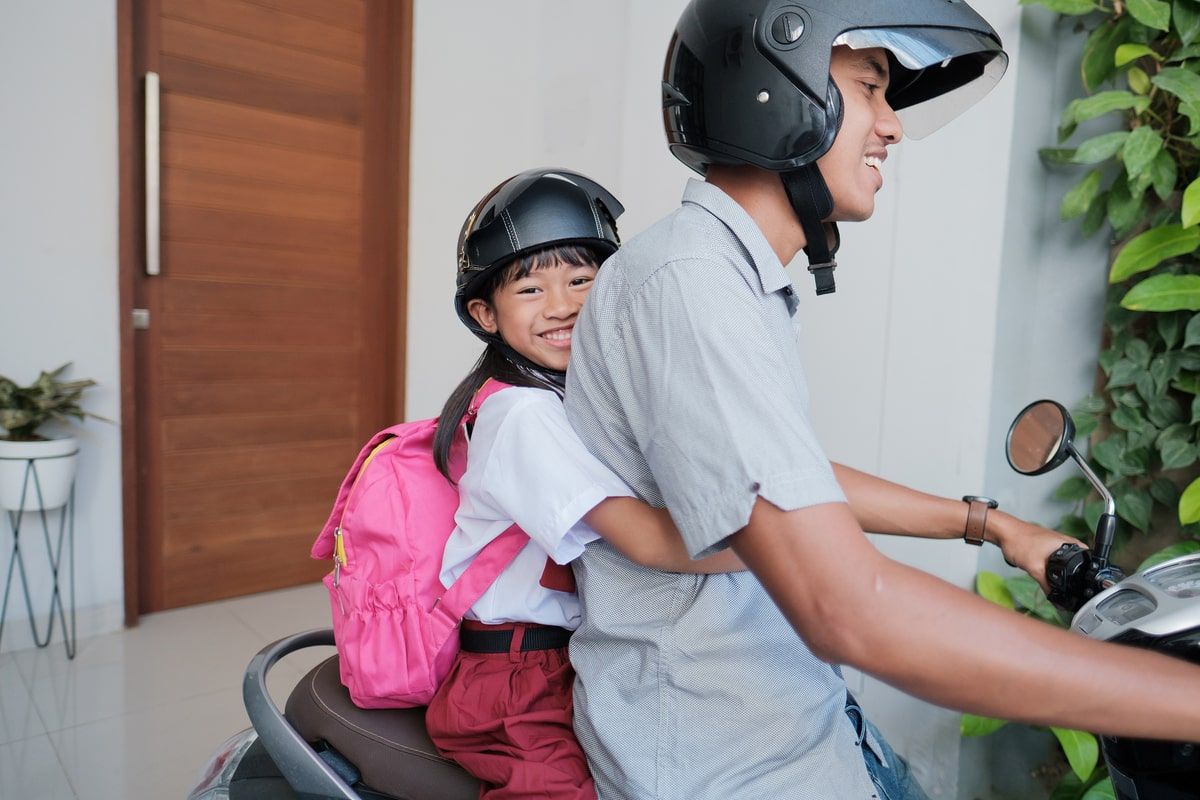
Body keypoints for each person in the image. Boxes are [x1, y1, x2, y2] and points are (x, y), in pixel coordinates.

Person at [563, 2, 1200, 799]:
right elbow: (848, 608)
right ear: (780, 94)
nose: (892, 127)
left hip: (808, 724)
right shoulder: (690, 286)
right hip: (732, 768)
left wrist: (991, 524)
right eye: (871, 87)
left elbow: (778, 479)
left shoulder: (725, 276)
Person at [424, 168, 743, 800]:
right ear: (486, 313)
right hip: (512, 680)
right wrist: (787, 551)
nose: (563, 305)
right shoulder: (522, 414)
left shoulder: (579, 399)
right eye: (530, 289)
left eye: (580, 280)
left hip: (564, 657)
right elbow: (649, 542)